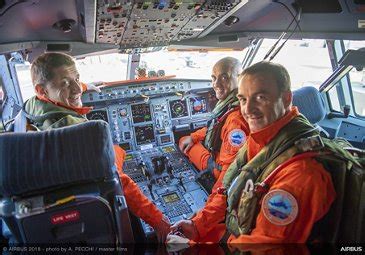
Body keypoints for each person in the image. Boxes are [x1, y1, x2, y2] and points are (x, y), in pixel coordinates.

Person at [170, 61, 336, 244]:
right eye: (243, 99)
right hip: (242, 224)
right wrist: (198, 225)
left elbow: (262, 246)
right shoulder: (261, 139)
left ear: (287, 99)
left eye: (261, 97)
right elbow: (227, 185)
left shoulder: (300, 176)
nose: (247, 110)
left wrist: (193, 246)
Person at [23, 52, 170, 242]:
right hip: (92, 196)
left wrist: (83, 86)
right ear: (41, 90)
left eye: (77, 78)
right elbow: (117, 180)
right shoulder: (73, 129)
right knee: (117, 150)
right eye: (65, 83)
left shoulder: (33, 105)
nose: (77, 88)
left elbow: (70, 89)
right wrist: (158, 221)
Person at [179, 57, 248, 193]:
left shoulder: (236, 121)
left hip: (218, 168)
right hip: (221, 155)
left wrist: (211, 204)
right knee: (189, 140)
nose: (216, 84)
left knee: (182, 140)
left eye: (224, 77)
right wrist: (194, 137)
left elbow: (230, 171)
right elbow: (217, 126)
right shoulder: (235, 103)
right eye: (213, 78)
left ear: (239, 78)